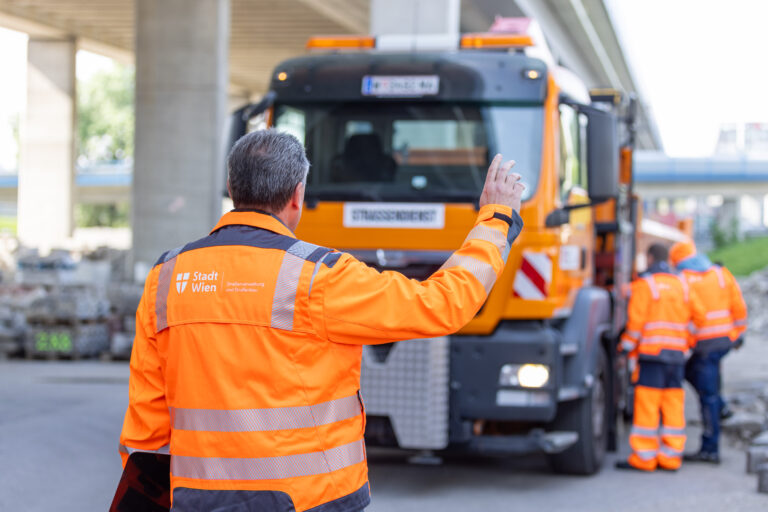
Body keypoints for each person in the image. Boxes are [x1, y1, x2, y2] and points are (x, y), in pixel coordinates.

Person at [117, 129, 525, 512]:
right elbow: (442, 304)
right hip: (310, 500)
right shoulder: (319, 278)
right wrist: (495, 222)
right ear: (298, 195)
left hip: (195, 500)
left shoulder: (166, 278)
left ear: (232, 189)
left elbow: (146, 425)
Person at [616, 243, 707, 472]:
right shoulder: (683, 285)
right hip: (677, 357)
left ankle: (645, 458)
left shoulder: (646, 285)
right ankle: (670, 456)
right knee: (673, 405)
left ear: (649, 258)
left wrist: (625, 348)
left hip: (651, 356)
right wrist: (688, 341)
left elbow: (636, 325)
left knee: (648, 405)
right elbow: (701, 317)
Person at [670, 241, 748, 464]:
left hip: (703, 345)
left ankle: (711, 449)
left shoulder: (683, 279)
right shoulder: (721, 273)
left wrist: (686, 341)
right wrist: (738, 335)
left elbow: (689, 315)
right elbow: (739, 308)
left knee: (707, 395)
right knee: (705, 384)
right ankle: (721, 408)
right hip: (724, 341)